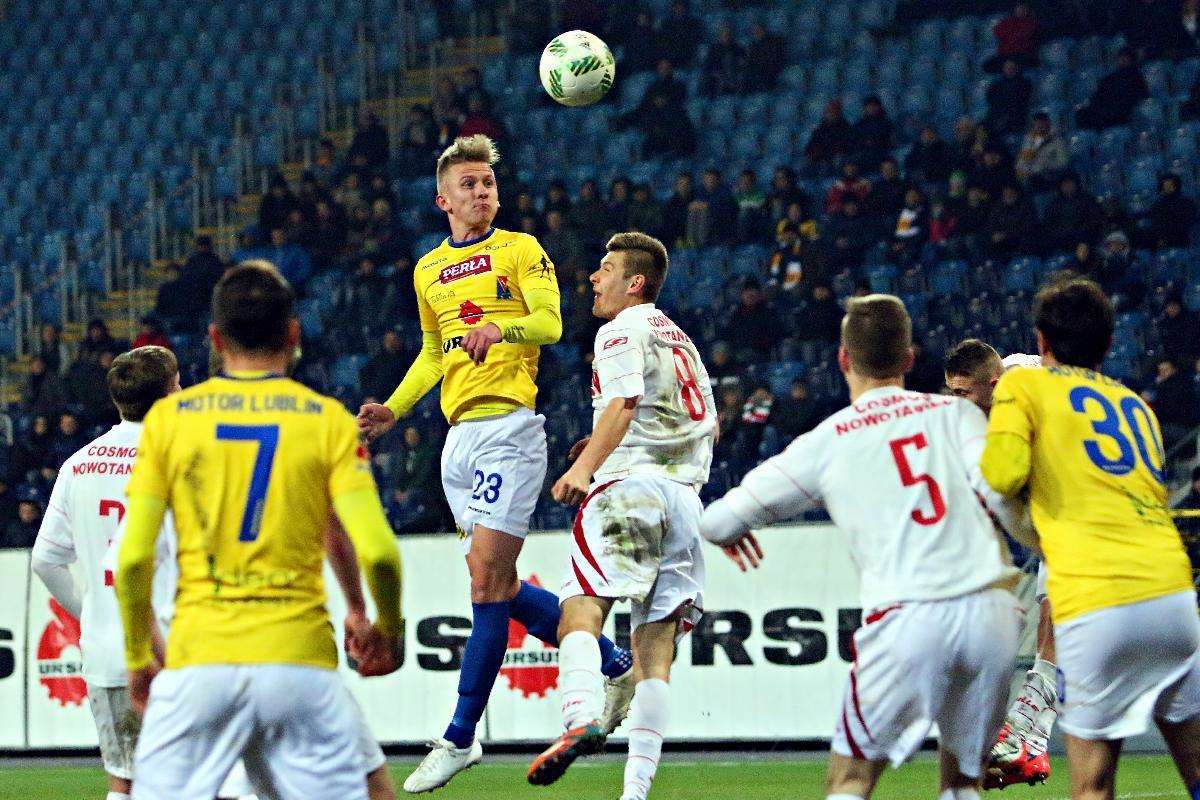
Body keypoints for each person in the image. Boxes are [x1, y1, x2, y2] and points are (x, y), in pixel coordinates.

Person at [354, 135, 633, 792]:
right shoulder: (427, 269)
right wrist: (394, 408)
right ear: (443, 200)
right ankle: (614, 661)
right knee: (499, 588)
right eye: (469, 184)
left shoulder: (520, 250)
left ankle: (459, 735)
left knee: (484, 587)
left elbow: (551, 324)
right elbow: (433, 353)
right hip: (458, 442)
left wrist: (498, 329)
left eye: (488, 183)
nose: (482, 192)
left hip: (511, 429)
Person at [701, 294, 1032, 800]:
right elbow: (1003, 498)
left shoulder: (827, 441)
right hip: (992, 613)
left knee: (850, 780)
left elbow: (718, 521)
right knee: (964, 782)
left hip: (908, 617)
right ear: (909, 359)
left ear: (842, 359)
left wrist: (732, 534)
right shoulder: (959, 416)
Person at [114, 264, 404, 799]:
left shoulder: (169, 422)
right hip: (299, 663)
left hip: (200, 661)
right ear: (293, 335)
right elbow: (380, 552)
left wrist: (137, 657)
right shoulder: (328, 422)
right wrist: (388, 627)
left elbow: (132, 560)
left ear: (215, 339)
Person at [981, 277, 1200, 799]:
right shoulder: (1136, 406)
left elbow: (1000, 476)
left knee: (1093, 786)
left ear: (1041, 342)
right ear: (1108, 343)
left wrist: (1032, 532)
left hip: (1098, 602)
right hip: (1174, 597)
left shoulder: (1022, 387)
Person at [527, 233, 716, 800]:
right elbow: (696, 424)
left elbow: (625, 401)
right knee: (654, 661)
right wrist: (610, 443)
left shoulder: (619, 330)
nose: (593, 277)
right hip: (684, 502)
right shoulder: (682, 340)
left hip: (628, 490)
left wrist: (585, 467)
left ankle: (579, 715)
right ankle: (635, 793)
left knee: (581, 612)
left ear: (635, 283)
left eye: (605, 268)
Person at [31, 346, 180, 800]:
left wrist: (91, 612)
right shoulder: (180, 460)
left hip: (106, 654)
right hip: (174, 648)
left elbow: (45, 560)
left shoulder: (78, 465)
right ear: (167, 395)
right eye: (177, 384)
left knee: (124, 781)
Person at [943, 339, 1058, 789]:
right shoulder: (978, 420)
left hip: (1083, 514)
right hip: (1057, 519)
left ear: (991, 384)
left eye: (963, 393)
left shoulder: (1023, 381)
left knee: (1054, 616)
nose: (956, 402)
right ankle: (1032, 738)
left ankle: (1031, 733)